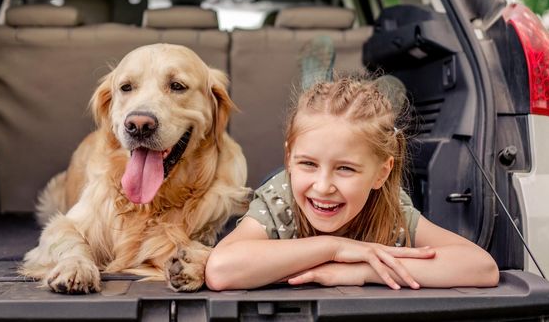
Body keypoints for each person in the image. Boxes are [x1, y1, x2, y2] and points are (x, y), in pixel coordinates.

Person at [205, 75, 499, 291]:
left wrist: (363, 270)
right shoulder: (279, 200)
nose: (323, 186)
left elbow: (481, 267)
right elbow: (221, 270)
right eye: (308, 163)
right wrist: (333, 248)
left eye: (345, 168)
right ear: (290, 157)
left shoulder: (390, 207)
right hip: (287, 185)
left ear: (381, 174)